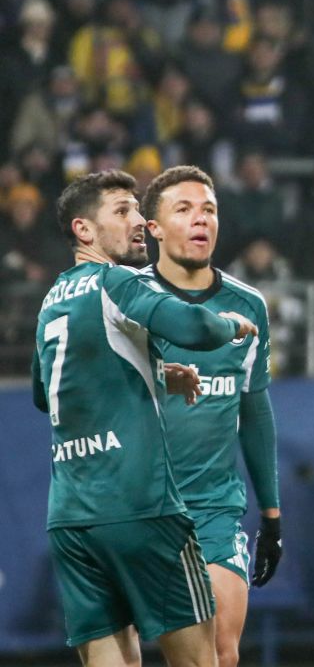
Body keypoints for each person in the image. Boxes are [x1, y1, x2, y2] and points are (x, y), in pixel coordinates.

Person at [33, 170, 257, 665]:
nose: (138, 220)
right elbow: (193, 326)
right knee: (201, 661)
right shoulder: (116, 280)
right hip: (142, 507)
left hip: (71, 517)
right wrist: (229, 324)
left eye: (137, 208)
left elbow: (43, 392)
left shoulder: (52, 300)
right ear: (83, 230)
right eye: (122, 211)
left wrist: (153, 371)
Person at [140, 166, 281, 667]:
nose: (201, 219)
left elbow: (254, 409)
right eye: (183, 209)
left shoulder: (248, 305)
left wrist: (272, 515)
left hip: (212, 512)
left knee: (220, 653)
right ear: (153, 228)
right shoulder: (127, 300)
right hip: (135, 508)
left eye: (209, 210)